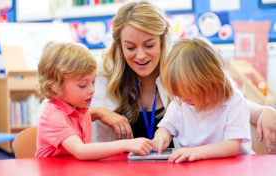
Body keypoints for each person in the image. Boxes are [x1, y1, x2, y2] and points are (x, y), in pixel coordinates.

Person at [35, 0, 276, 153]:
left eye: (149, 45)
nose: (140, 55)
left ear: (162, 40)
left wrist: (266, 110)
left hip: (173, 169)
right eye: (130, 47)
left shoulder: (180, 66)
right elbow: (50, 107)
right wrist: (98, 113)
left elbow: (223, 98)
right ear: (119, 45)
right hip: (113, 171)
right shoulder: (98, 72)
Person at [35, 41, 153, 160]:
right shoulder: (53, 115)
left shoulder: (79, 109)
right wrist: (126, 144)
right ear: (54, 87)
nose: (92, 90)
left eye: (93, 82)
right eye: (82, 85)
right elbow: (81, 151)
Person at [153, 36, 254, 163]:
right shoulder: (182, 102)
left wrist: (196, 152)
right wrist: (161, 137)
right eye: (180, 95)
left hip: (233, 167)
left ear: (213, 82)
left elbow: (232, 145)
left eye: (190, 95)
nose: (184, 100)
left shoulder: (234, 101)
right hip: (196, 168)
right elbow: (166, 127)